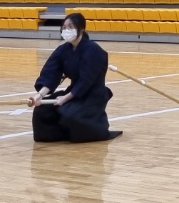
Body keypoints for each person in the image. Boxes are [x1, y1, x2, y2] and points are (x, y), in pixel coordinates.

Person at [29, 13, 119, 143]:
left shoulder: (93, 50)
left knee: (70, 115)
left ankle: (93, 129)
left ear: (81, 29)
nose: (67, 30)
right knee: (41, 111)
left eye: (71, 27)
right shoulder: (63, 50)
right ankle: (62, 134)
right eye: (64, 27)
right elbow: (51, 74)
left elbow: (86, 80)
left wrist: (65, 98)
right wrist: (39, 96)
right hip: (73, 91)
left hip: (91, 94)